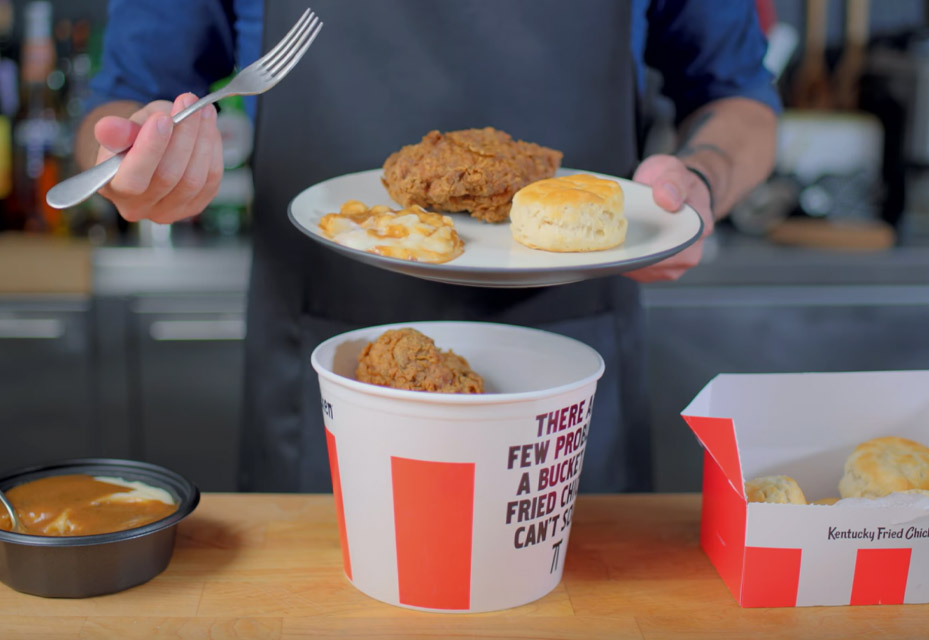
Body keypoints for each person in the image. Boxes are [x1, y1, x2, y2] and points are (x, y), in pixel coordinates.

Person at [76, 0, 779, 493]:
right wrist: (141, 161)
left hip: (569, 373)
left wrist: (702, 181)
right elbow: (120, 103)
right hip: (331, 367)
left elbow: (740, 95)